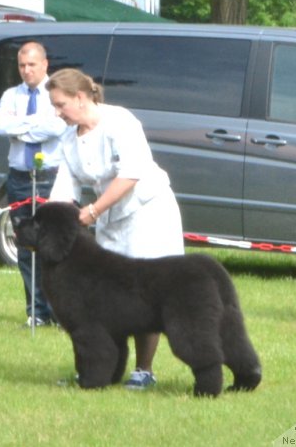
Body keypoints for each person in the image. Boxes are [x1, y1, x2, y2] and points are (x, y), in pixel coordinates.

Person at [46, 68, 185, 390]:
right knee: (110, 296)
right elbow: (64, 190)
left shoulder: (121, 122)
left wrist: (93, 211)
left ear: (81, 98)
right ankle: (101, 370)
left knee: (146, 291)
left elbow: (131, 173)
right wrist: (49, 222)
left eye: (60, 104)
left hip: (147, 213)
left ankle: (144, 370)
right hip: (110, 220)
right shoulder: (69, 138)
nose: (57, 112)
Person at [0, 41, 67, 328]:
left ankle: (59, 311)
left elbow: (56, 127)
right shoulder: (11, 95)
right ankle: (36, 311)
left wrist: (21, 125)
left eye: (32, 65)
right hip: (20, 178)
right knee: (26, 247)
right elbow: (0, 126)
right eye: (22, 65)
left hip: (49, 177)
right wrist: (35, 125)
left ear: (45, 65)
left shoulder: (56, 94)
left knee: (54, 246)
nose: (26, 71)